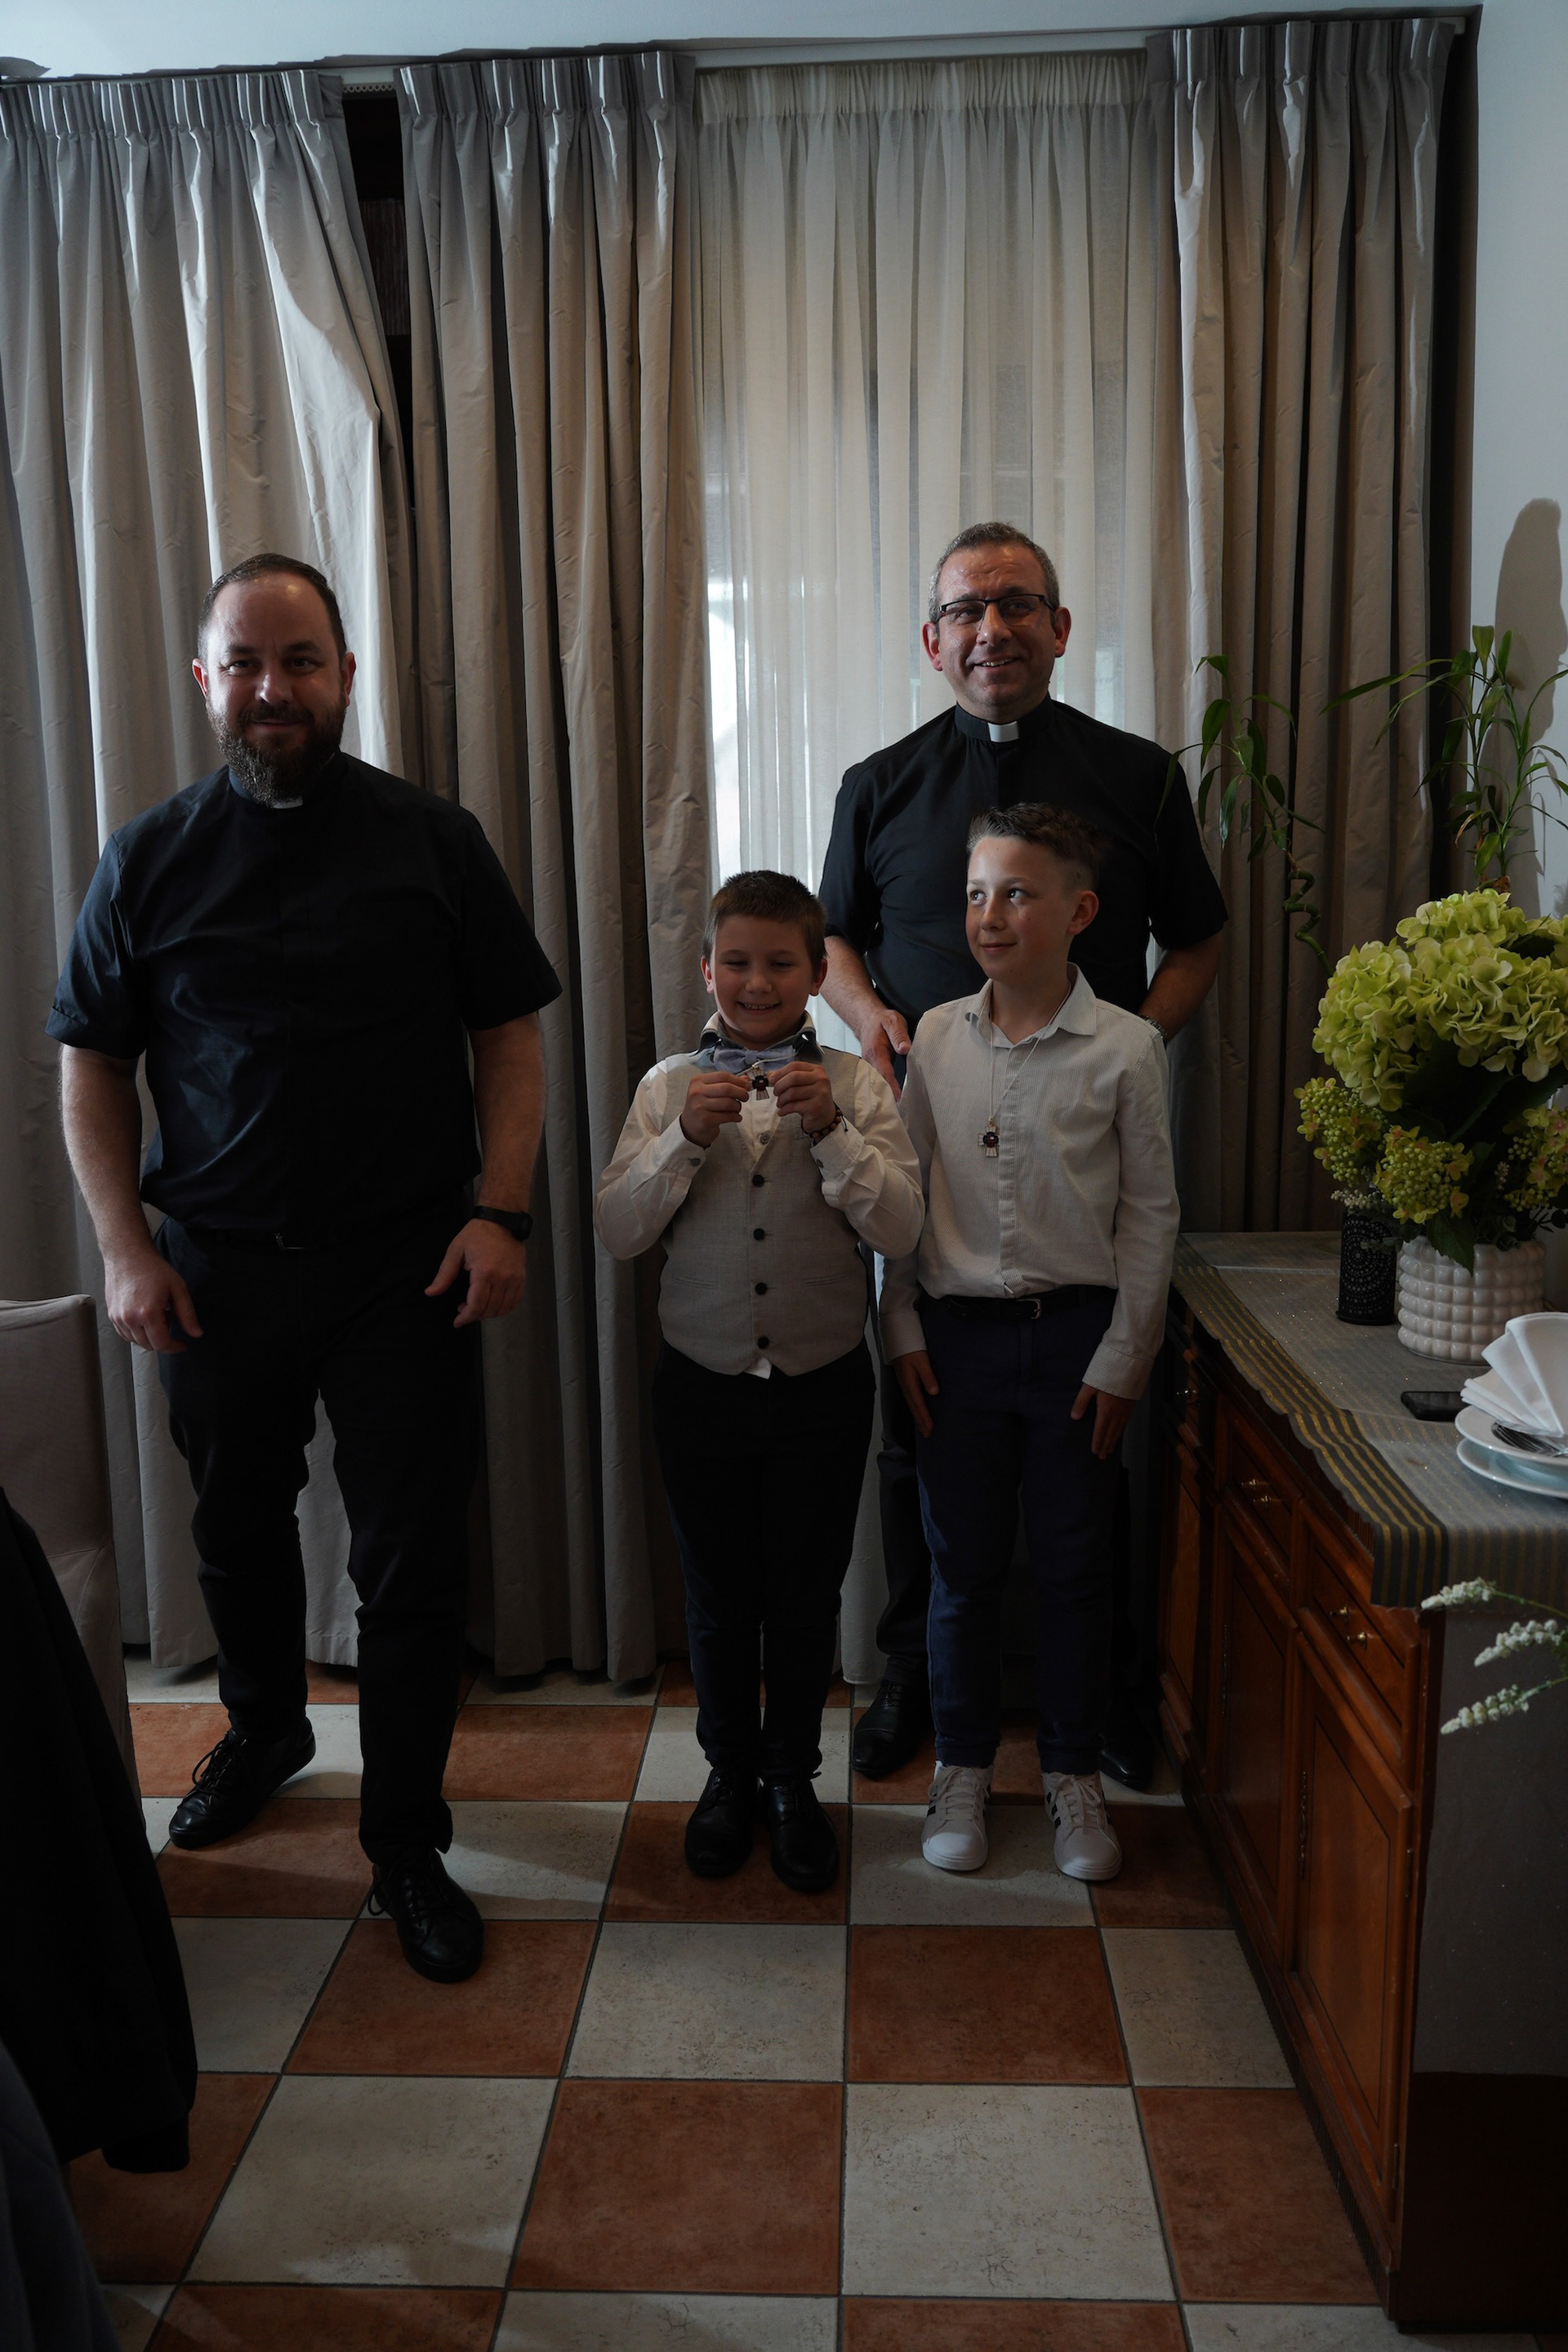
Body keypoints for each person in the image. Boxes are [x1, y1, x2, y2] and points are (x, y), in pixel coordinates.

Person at [49, 553, 560, 1985]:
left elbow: (509, 1035)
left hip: (408, 1267)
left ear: (345, 676)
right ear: (206, 680)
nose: (272, 688)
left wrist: (503, 1212)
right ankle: (265, 1726)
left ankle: (405, 1845)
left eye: (300, 661)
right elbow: (92, 1065)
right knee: (235, 1530)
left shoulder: (435, 842)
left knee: (411, 1563)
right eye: (246, 663)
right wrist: (126, 1250)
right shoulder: (146, 857)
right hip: (214, 1273)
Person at [819, 520, 1226, 1786]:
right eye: (965, 610)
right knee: (920, 1444)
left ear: (1059, 626)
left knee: (1085, 1461)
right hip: (929, 1147)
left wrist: (1132, 1049)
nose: (990, 629)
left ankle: (1100, 1701)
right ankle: (912, 1682)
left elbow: (1200, 937)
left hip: (1078, 1161)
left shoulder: (1139, 776)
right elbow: (834, 939)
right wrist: (872, 1021)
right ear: (931, 640)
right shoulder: (879, 784)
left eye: (1015, 604)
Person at [595, 871, 923, 1892]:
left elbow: (902, 1230)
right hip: (701, 1387)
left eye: (781, 963)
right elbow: (617, 1230)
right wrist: (684, 1140)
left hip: (824, 1388)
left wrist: (833, 1134)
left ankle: (792, 1779)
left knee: (805, 1594)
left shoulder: (859, 1088)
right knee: (718, 1598)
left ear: (818, 975)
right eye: (736, 961)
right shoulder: (664, 1088)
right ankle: (728, 1775)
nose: (757, 980)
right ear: (707, 969)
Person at [882, 803, 1181, 1882]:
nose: (990, 915)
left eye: (1016, 893)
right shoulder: (936, 1039)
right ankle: (962, 1764)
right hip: (953, 1345)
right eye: (976, 894)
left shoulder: (1126, 1047)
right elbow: (902, 1195)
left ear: (1079, 911)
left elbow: (1149, 1214)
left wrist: (1126, 1357)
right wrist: (900, 1327)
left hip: (1076, 1349)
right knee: (960, 1570)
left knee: (1072, 1569)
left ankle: (1071, 1773)